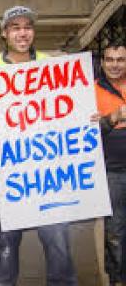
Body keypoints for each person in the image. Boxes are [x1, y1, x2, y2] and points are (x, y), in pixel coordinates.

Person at [0, 6, 78, 286]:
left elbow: (71, 109)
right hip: (6, 170)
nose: (22, 32)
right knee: (6, 239)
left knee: (57, 236)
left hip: (47, 168)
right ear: (4, 34)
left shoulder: (53, 66)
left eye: (27, 26)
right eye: (15, 27)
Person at [94, 41, 126, 286]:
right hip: (111, 170)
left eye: (121, 60)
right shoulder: (91, 90)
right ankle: (117, 279)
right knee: (115, 230)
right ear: (103, 63)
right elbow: (86, 131)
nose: (115, 65)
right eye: (110, 60)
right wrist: (113, 118)